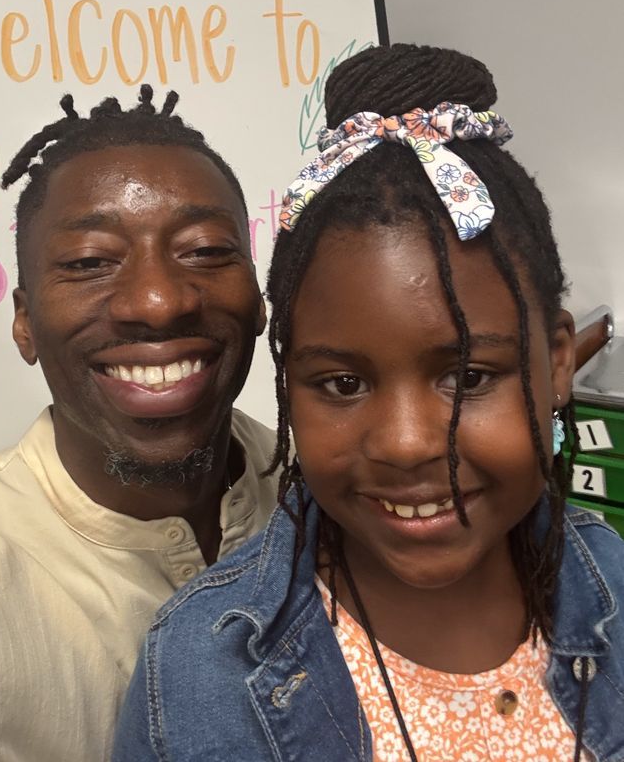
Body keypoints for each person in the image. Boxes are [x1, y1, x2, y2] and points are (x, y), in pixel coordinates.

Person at [116, 45, 624, 762]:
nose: (409, 443)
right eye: (344, 384)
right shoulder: (201, 673)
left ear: (560, 362)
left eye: (470, 376)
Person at [0, 88, 278, 761]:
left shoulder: (325, 490)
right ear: (25, 322)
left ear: (259, 298)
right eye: (91, 262)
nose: (157, 302)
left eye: (205, 251)